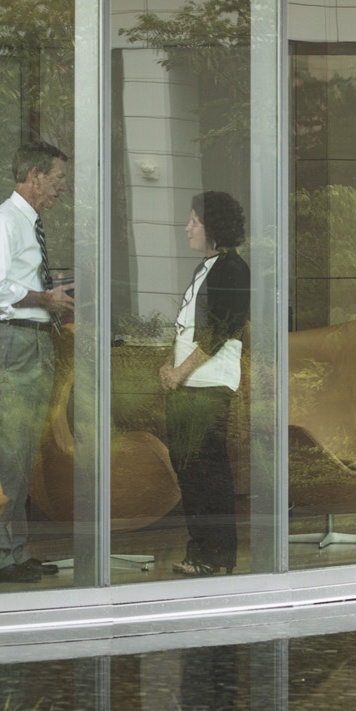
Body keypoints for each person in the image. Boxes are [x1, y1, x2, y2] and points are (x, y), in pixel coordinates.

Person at [0, 140, 74, 584]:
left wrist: (51, 293)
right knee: (8, 449)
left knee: (22, 452)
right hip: (13, 343)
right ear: (34, 176)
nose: (61, 188)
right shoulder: (2, 223)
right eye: (58, 179)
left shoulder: (25, 224)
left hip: (32, 342)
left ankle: (13, 551)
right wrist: (44, 298)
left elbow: (14, 282)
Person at [159, 191, 248, 577]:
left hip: (208, 384)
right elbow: (188, 329)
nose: (187, 227)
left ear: (213, 226)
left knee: (207, 470)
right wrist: (169, 364)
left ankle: (217, 554)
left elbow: (220, 330)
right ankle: (201, 551)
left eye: (194, 221)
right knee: (188, 468)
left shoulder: (233, 269)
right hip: (187, 383)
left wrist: (180, 371)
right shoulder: (205, 267)